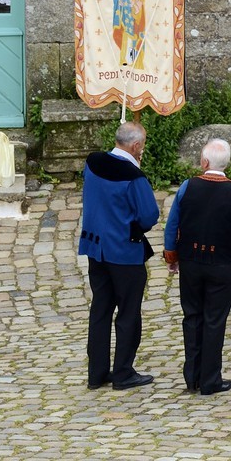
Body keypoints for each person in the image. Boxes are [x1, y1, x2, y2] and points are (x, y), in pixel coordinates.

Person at [162, 138, 231, 395]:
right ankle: (210, 379)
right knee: (214, 321)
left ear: (204, 162)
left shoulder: (187, 186)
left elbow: (172, 225)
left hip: (191, 262)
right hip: (222, 264)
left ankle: (192, 377)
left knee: (192, 317)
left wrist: (172, 256)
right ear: (227, 164)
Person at [79, 121, 161, 390]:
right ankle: (123, 372)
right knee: (128, 313)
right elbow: (149, 215)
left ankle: (97, 373)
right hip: (124, 252)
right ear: (136, 146)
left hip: (96, 248)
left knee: (100, 310)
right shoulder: (133, 177)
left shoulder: (92, 162)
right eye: (143, 144)